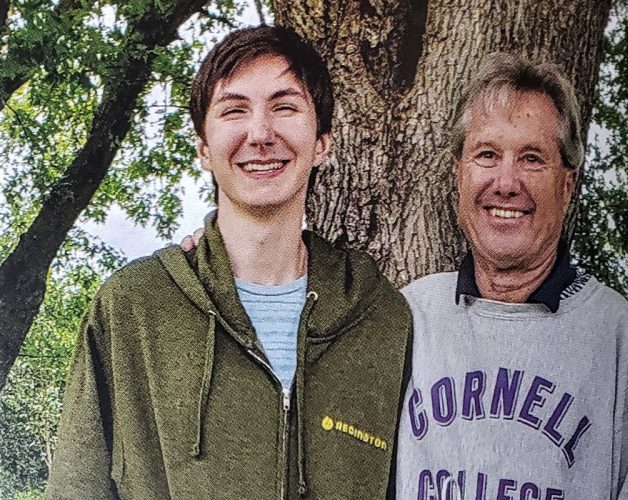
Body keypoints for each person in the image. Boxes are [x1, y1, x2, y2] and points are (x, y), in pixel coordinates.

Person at [46, 26, 412, 499]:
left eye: (285, 107)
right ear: (203, 148)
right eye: (234, 110)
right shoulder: (135, 308)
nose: (260, 134)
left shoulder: (381, 319)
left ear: (322, 141)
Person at [394, 52, 628, 500]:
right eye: (486, 154)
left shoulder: (610, 331)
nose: (506, 182)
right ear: (458, 175)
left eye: (531, 158)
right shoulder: (411, 315)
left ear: (567, 185)